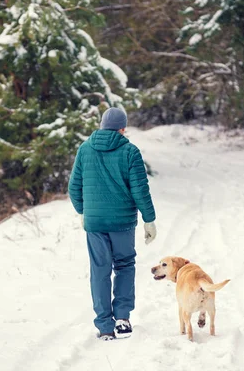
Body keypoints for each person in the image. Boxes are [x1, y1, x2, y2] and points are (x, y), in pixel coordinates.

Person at [68, 107, 157, 341]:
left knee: (100, 271)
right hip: (122, 223)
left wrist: (84, 212)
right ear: (122, 128)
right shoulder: (130, 151)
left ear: (101, 125)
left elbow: (74, 188)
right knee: (125, 265)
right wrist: (149, 219)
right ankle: (122, 319)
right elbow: (140, 190)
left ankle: (104, 326)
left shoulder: (85, 149)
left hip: (95, 223)